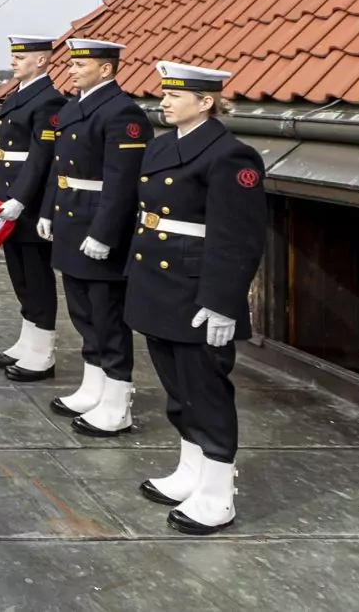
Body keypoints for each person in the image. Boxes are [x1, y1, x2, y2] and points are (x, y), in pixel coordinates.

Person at [125, 62, 266, 535]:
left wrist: (224, 301)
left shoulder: (230, 156)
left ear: (206, 102)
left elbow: (239, 237)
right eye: (164, 93)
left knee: (205, 391)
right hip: (156, 283)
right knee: (177, 389)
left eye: (176, 95)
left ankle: (218, 493)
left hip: (196, 289)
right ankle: (190, 473)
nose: (163, 101)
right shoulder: (162, 145)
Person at [37, 38, 152, 436]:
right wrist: (48, 210)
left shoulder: (123, 113)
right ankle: (93, 387)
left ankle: (118, 402)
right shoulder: (74, 106)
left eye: (80, 65)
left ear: (106, 69)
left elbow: (123, 181)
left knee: (107, 315)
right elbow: (59, 167)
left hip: (98, 225)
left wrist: (105, 233)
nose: (71, 69)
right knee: (83, 312)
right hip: (71, 221)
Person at [0, 34, 67, 381]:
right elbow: (2, 145)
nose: (14, 62)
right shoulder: (18, 95)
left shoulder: (48, 101)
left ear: (42, 61)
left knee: (36, 275)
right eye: (14, 56)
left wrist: (20, 198)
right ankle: (27, 341)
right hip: (6, 195)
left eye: (22, 57)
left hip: (28, 201)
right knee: (18, 272)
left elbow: (41, 157)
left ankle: (43, 351)